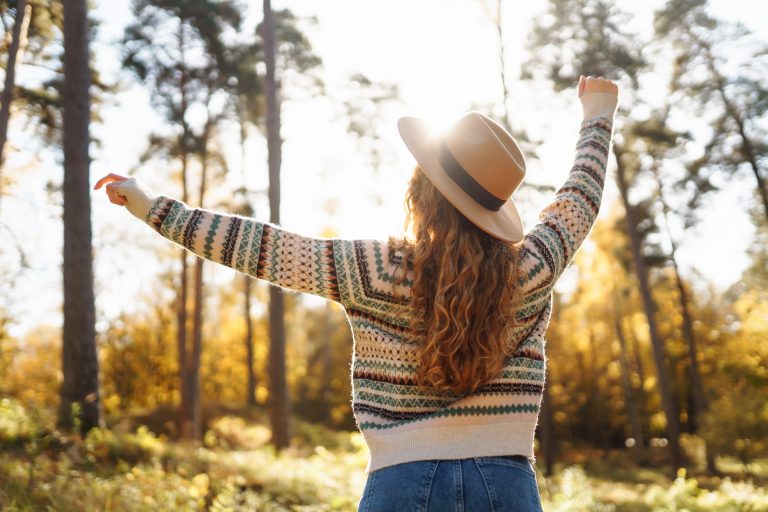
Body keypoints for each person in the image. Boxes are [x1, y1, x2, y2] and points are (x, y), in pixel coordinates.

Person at [96, 74, 618, 512]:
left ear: (422, 193)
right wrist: (598, 112)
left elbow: (261, 247)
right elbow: (579, 199)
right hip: (506, 487)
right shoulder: (530, 269)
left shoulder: (372, 269)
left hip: (399, 485)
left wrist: (153, 207)